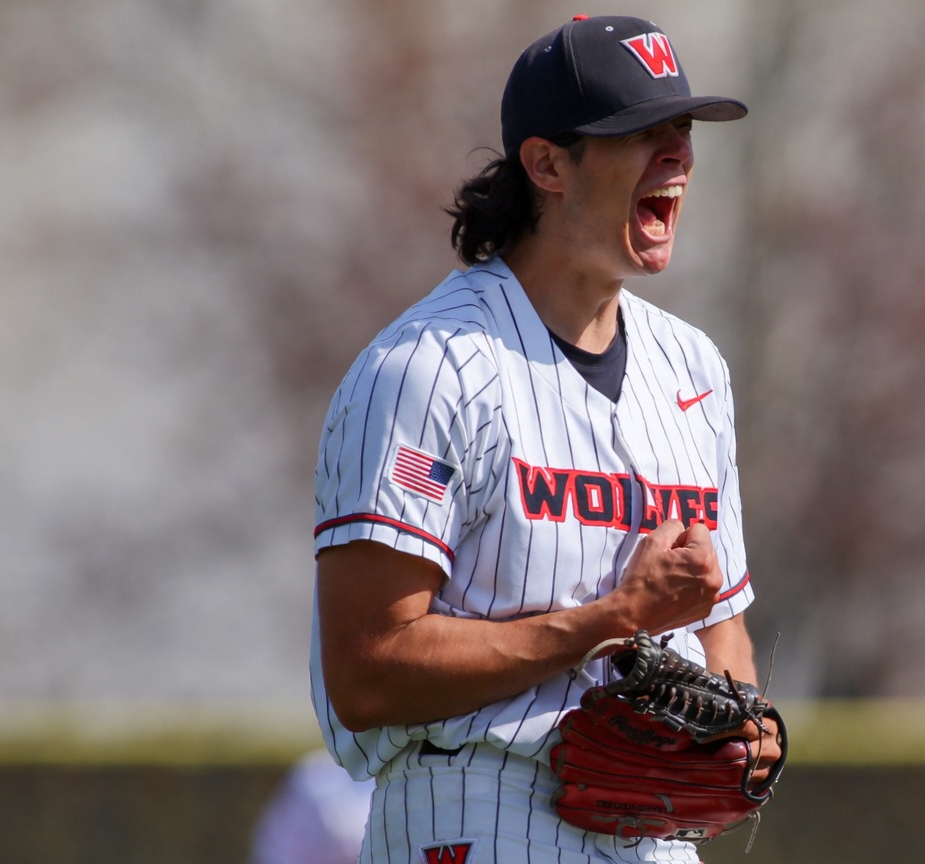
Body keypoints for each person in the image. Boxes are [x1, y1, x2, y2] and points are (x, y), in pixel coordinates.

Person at [309, 14, 780, 863]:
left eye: (682, 130)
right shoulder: (427, 369)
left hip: (655, 835)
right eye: (641, 132)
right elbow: (367, 667)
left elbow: (724, 630)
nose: (678, 155)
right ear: (547, 164)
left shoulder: (695, 369)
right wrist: (612, 621)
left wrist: (743, 723)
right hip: (472, 813)